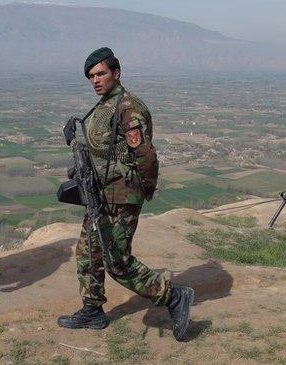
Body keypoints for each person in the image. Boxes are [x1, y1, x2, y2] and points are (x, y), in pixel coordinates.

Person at [57, 47, 194, 340]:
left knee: (117, 261)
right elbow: (102, 149)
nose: (95, 80)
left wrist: (145, 188)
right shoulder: (103, 106)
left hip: (121, 195)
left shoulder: (127, 107)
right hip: (100, 194)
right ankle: (92, 309)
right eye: (91, 76)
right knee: (88, 253)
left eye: (101, 73)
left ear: (116, 73)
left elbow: (145, 155)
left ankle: (173, 296)